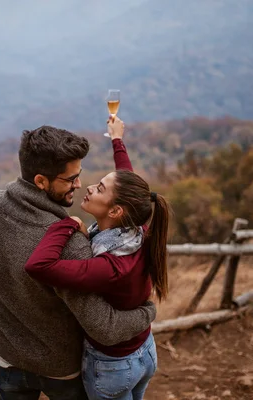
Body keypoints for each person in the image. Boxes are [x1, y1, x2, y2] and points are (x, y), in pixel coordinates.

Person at [0, 116, 157, 400]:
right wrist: (147, 313)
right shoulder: (72, 245)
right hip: (59, 369)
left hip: (5, 357)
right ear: (40, 180)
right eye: (70, 179)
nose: (78, 184)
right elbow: (104, 328)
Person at [24, 116, 170, 400]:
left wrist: (66, 223)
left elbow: (38, 266)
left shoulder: (109, 266)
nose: (88, 187)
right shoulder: (139, 230)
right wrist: (117, 139)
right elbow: (127, 180)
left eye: (100, 189)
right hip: (145, 352)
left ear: (115, 211)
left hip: (113, 367)